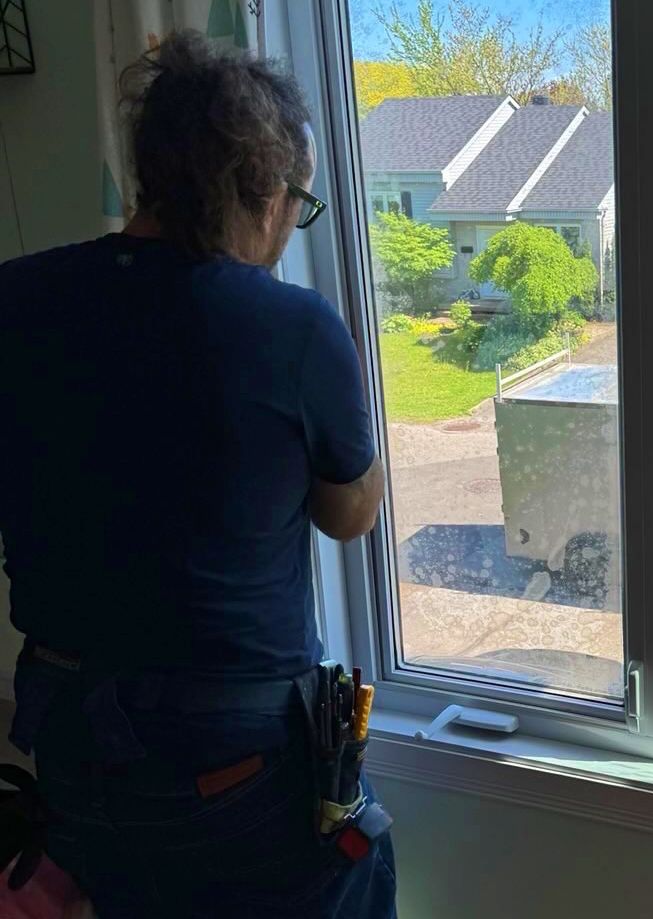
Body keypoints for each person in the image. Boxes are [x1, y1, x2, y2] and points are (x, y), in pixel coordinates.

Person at [0, 31, 395, 918]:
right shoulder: (291, 329)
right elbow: (352, 514)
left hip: (66, 734)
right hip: (225, 757)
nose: (293, 229)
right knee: (360, 863)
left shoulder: (14, 303)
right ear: (259, 188)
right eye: (298, 201)